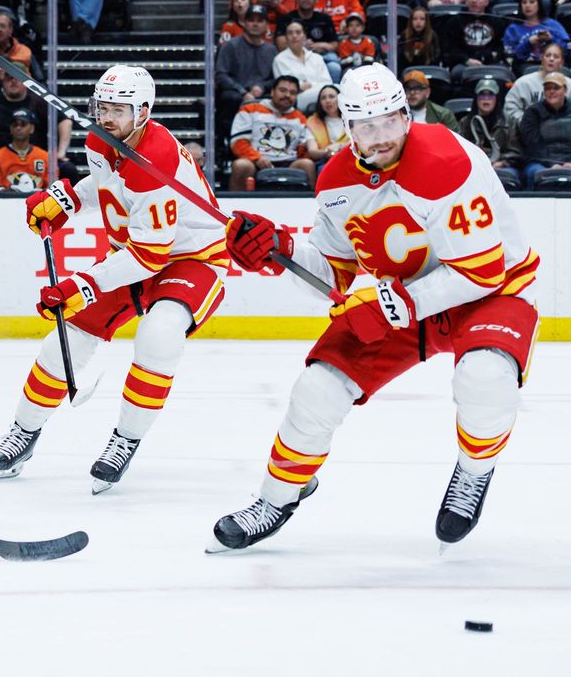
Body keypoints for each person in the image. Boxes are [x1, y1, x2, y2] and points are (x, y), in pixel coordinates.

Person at [211, 62, 541, 552]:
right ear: (348, 129)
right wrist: (279, 250)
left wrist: (396, 304)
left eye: (390, 120)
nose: (381, 136)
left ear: (407, 115)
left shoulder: (444, 159)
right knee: (317, 388)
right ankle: (276, 497)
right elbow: (333, 273)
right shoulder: (338, 181)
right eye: (366, 126)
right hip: (405, 300)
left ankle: (474, 470)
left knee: (484, 378)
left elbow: (481, 273)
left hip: (494, 289)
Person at [0, 65, 227, 493]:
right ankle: (24, 431)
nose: (107, 117)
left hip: (193, 258)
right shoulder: (101, 139)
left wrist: (84, 284)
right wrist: (67, 199)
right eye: (103, 107)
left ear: (144, 112)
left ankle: (125, 439)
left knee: (159, 334)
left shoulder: (157, 159)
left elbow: (152, 255)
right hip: (133, 253)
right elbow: (108, 185)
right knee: (67, 339)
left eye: (119, 109)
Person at [0, 62, 71, 172]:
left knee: (68, 169)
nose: (13, 82)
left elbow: (65, 120)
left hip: (36, 162)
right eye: (9, 78)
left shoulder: (40, 102)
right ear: (3, 81)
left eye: (18, 78)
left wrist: (61, 151)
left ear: (26, 81)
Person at [229, 75, 318, 189]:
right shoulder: (250, 110)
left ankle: (312, 205)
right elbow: (238, 142)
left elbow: (304, 148)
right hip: (255, 161)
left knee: (307, 164)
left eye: (292, 92)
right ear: (272, 92)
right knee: (241, 165)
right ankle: (236, 206)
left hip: (289, 163)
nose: (287, 95)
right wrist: (257, 158)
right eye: (282, 90)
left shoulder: (299, 118)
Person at [216, 4, 276, 132]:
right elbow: (221, 75)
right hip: (236, 93)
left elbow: (275, 78)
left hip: (262, 93)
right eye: (251, 20)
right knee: (230, 98)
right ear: (244, 23)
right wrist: (242, 92)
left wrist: (262, 86)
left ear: (266, 25)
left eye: (260, 21)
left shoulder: (272, 50)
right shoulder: (230, 46)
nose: (255, 24)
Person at [459, 77, 523, 182]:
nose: (486, 99)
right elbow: (460, 152)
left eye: (490, 95)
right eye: (482, 95)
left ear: (497, 98)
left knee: (509, 175)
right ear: (476, 99)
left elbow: (515, 152)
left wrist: (502, 162)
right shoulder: (465, 123)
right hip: (474, 166)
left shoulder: (509, 122)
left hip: (502, 166)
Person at [275, 0, 340, 82]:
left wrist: (319, 45)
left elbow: (334, 45)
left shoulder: (324, 19)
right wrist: (302, 45)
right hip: (294, 57)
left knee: (334, 65)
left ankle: (331, 94)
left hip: (321, 56)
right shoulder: (286, 19)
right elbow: (281, 45)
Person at [438, 0, 507, 77]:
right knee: (458, 73)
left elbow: (500, 47)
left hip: (490, 62)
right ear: (466, 1)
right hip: (463, 64)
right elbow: (449, 49)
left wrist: (489, 57)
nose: (474, 0)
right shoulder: (454, 22)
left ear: (486, 2)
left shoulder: (497, 22)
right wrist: (467, 60)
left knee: (503, 73)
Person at [518, 70, 571, 185]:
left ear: (565, 90)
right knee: (534, 172)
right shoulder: (532, 112)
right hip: (540, 162)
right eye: (547, 88)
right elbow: (532, 145)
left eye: (556, 88)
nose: (551, 91)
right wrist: (552, 165)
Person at [273, 20, 331, 111]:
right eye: (290, 33)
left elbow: (327, 83)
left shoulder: (316, 58)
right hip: (297, 99)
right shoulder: (280, 60)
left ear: (304, 36)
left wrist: (308, 85)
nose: (294, 36)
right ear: (286, 37)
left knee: (335, 89)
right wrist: (301, 86)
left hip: (322, 96)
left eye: (298, 32)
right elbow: (285, 88)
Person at [0, 108, 49, 192]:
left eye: (23, 124)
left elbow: (50, 186)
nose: (18, 128)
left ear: (32, 128)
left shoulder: (44, 156)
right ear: (11, 129)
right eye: (14, 125)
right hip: (7, 201)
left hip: (38, 201)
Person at [503, 39, 564, 124]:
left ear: (562, 62)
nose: (551, 59)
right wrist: (527, 123)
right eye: (548, 55)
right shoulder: (523, 83)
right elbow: (510, 108)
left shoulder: (568, 84)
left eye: (556, 56)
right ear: (542, 58)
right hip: (528, 131)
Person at [504, 0, 568, 66]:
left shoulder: (552, 24)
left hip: (552, 66)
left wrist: (551, 39)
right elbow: (511, 56)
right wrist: (529, 42)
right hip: (524, 67)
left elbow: (566, 48)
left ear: (539, 4)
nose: (527, 6)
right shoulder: (513, 28)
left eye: (532, 2)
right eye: (524, 2)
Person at [305, 84, 347, 165]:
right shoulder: (313, 122)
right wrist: (328, 152)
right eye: (323, 98)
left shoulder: (352, 119)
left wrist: (339, 146)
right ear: (319, 103)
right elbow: (312, 151)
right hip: (326, 161)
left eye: (331, 96)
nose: (327, 101)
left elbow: (359, 142)